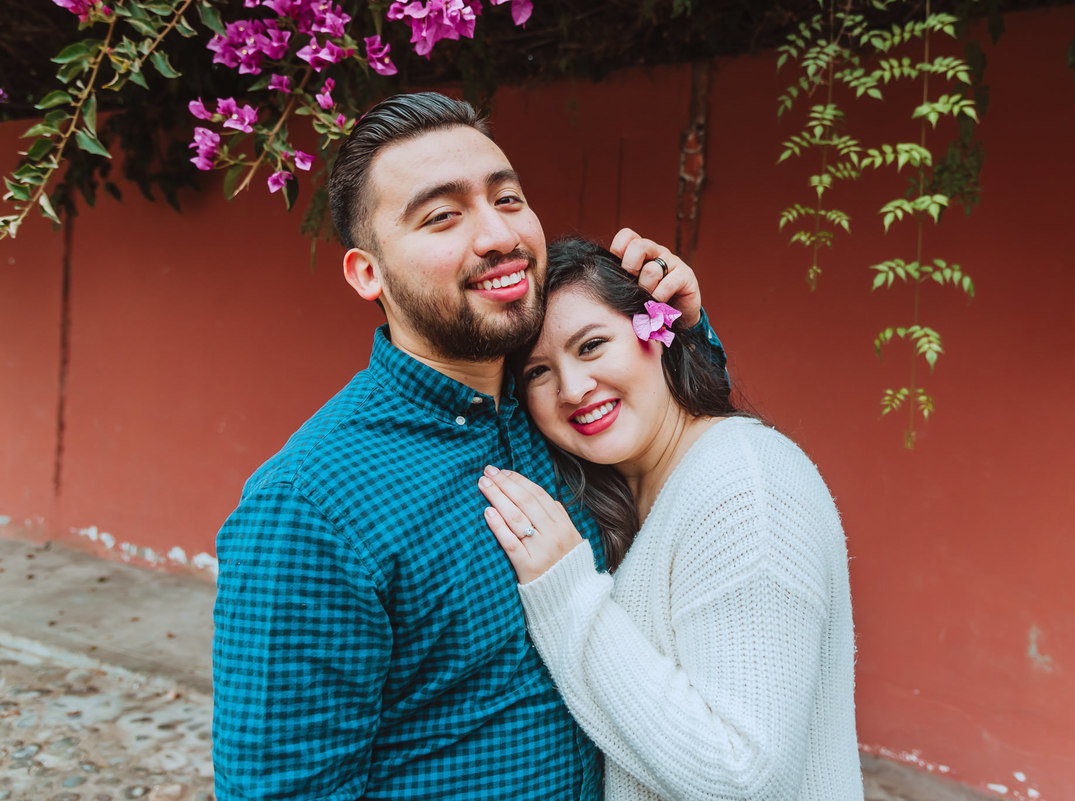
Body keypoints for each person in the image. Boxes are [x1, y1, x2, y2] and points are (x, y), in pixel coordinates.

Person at [210, 93, 724, 800]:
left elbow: (681, 447)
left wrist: (685, 331)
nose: (498, 235)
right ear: (369, 273)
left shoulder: (552, 401)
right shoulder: (309, 506)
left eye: (508, 199)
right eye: (443, 215)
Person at [477, 237, 863, 801]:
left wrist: (567, 596)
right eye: (537, 372)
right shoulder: (625, 490)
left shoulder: (746, 487)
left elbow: (744, 778)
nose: (573, 389)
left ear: (657, 334)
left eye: (591, 346)